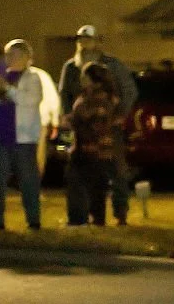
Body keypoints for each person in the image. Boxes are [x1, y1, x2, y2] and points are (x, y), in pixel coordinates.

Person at [57, 25, 138, 226]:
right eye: (80, 39)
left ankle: (120, 213)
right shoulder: (71, 67)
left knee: (116, 171)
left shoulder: (112, 65)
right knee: (85, 173)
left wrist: (119, 115)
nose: (84, 44)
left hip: (109, 129)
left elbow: (129, 90)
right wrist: (68, 121)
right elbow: (64, 95)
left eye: (88, 39)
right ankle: (91, 216)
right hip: (81, 130)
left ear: (97, 41)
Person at [0, 39, 59, 230]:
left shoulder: (33, 77)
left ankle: (33, 220)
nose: (8, 59)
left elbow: (29, 100)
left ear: (25, 57)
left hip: (22, 139)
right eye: (7, 54)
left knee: (28, 180)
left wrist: (5, 87)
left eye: (12, 54)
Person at [64, 63, 121, 226]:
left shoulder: (100, 99)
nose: (81, 79)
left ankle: (80, 220)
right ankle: (93, 220)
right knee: (94, 187)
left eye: (85, 76)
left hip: (92, 149)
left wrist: (70, 120)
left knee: (84, 185)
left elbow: (94, 122)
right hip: (91, 149)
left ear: (94, 80)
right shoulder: (89, 96)